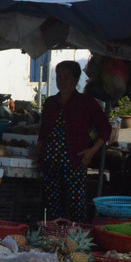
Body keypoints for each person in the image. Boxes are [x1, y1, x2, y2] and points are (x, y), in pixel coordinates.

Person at [35, 59, 111, 222]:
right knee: (53, 206)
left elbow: (106, 129)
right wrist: (38, 154)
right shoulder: (50, 103)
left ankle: (77, 235)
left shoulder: (86, 103)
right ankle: (55, 234)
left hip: (75, 161)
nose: (61, 81)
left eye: (66, 77)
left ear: (76, 80)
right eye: (59, 77)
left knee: (76, 206)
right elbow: (43, 132)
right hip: (50, 162)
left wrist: (91, 152)